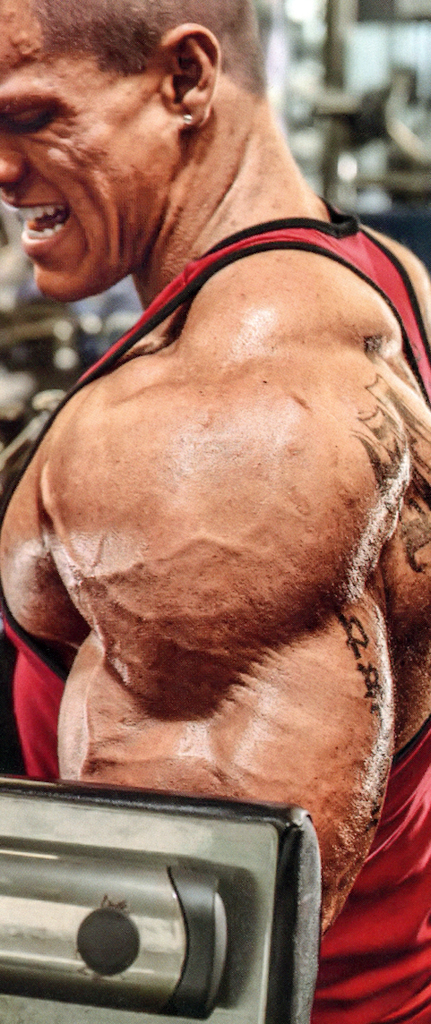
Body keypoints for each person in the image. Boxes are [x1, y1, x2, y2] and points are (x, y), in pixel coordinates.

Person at [0, 0, 431, 1019]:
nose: (3, 170)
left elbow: (177, 959)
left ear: (186, 80)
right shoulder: (369, 274)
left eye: (31, 118)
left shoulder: (221, 430)